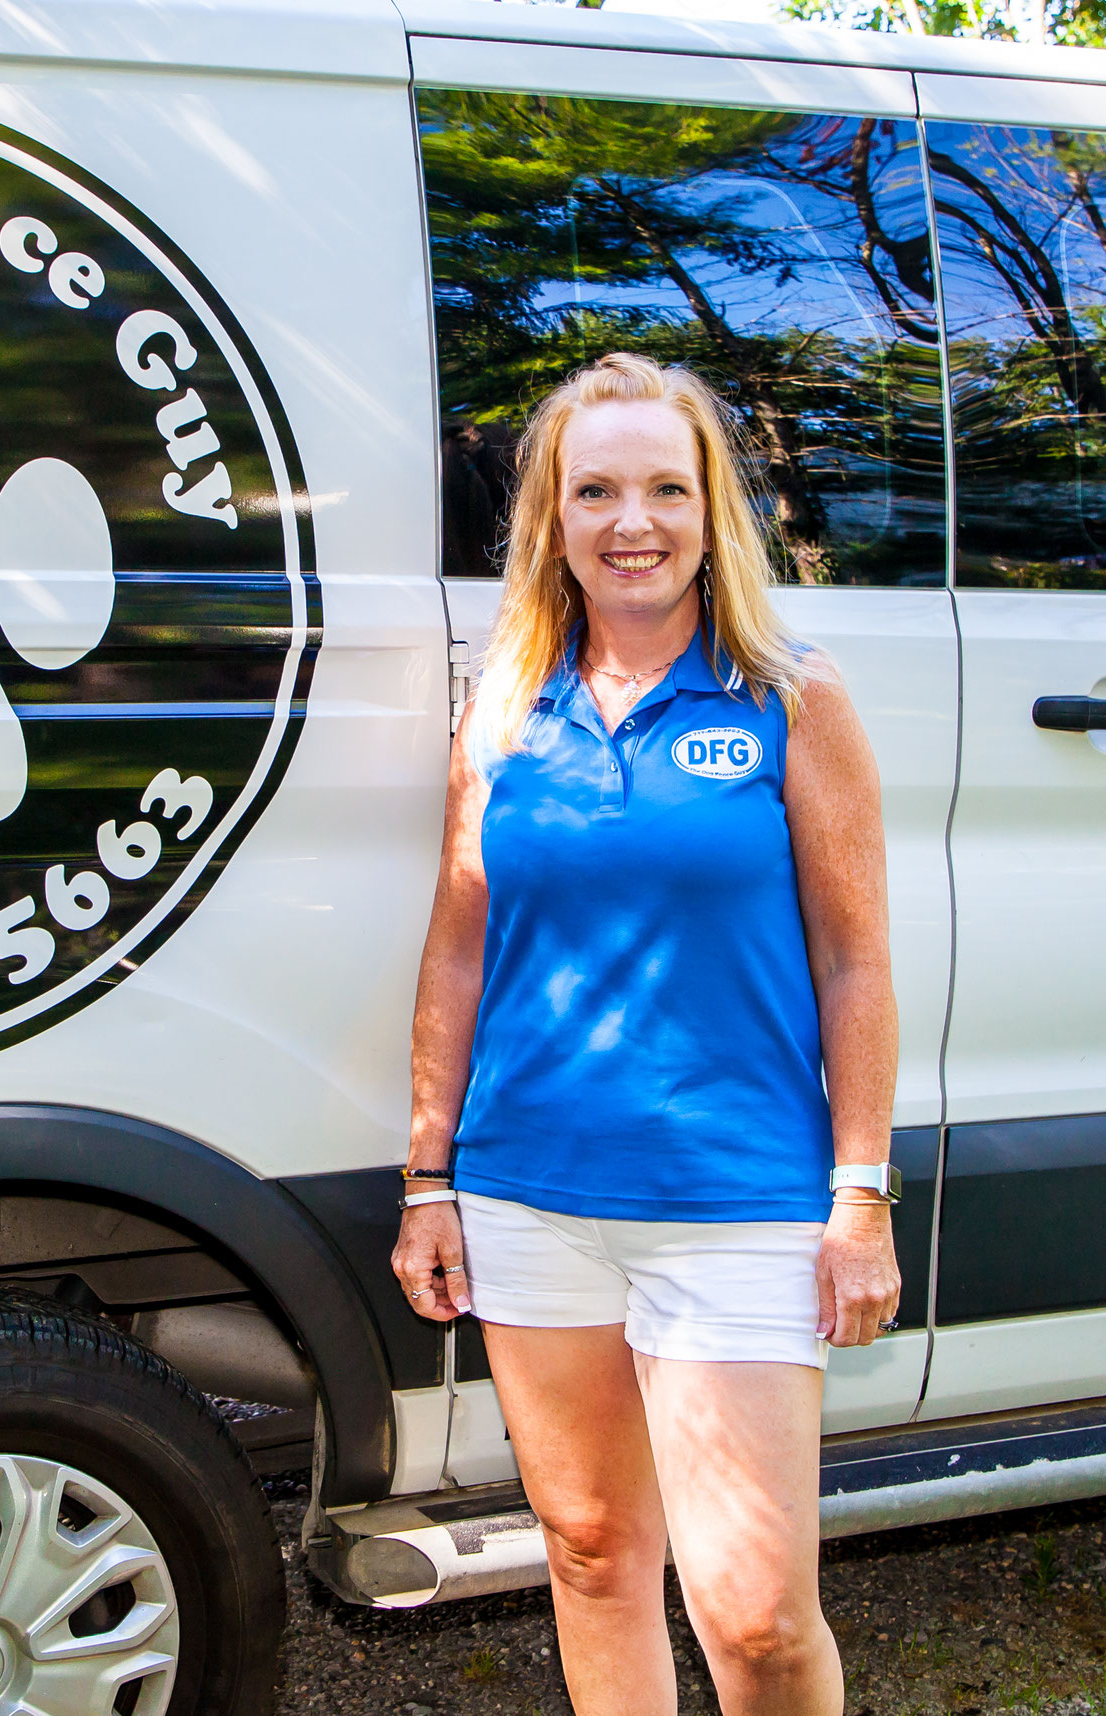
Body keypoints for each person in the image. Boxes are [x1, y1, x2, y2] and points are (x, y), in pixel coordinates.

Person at [391, 352, 901, 1716]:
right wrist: (428, 1176)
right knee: (594, 1550)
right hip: (529, 1197)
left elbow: (856, 961)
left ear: (712, 511)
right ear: (552, 521)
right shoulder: (504, 709)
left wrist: (860, 1194)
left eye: (668, 488)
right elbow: (457, 942)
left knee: (757, 1618)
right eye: (598, 489)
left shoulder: (791, 695)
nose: (635, 521)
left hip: (737, 1202)